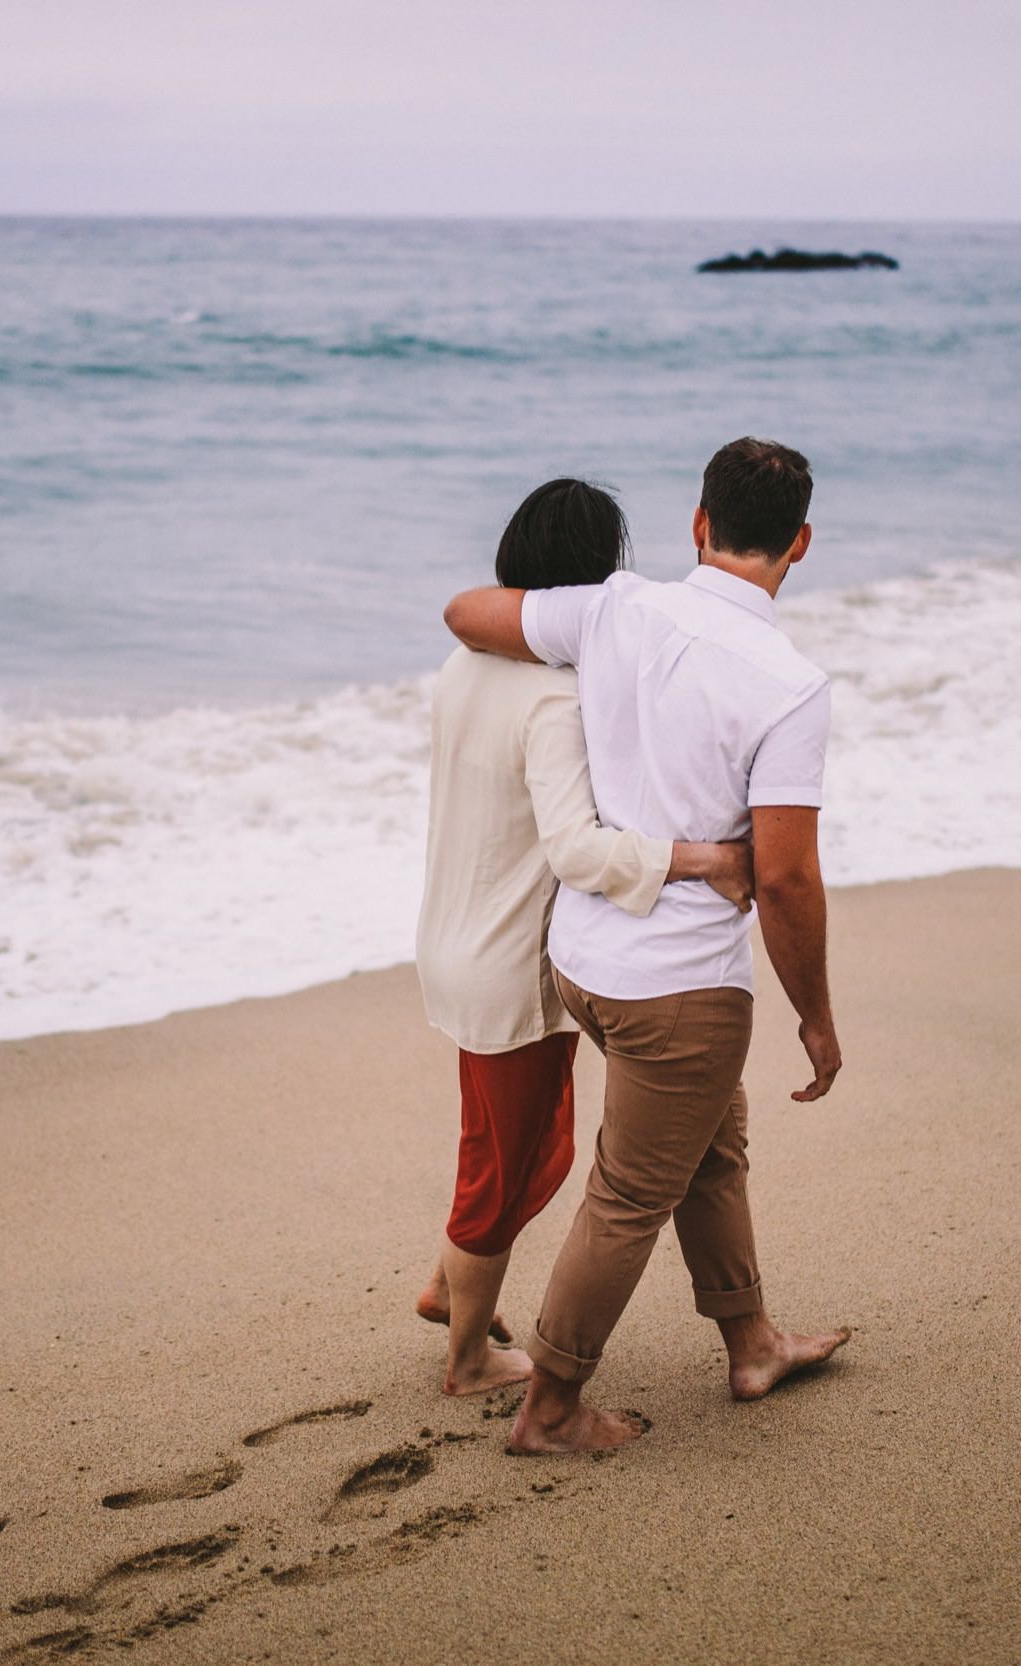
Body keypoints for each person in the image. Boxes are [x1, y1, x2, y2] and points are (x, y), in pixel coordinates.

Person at [442, 437, 850, 1453]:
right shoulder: (790, 686)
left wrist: (558, 641)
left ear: (699, 525)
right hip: (681, 989)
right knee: (628, 1196)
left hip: (585, 965)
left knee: (711, 1149)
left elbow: (466, 612)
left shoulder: (616, 607)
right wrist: (815, 1014)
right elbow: (788, 877)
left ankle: (751, 1340)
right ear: (800, 544)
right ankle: (548, 1408)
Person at [414, 477, 754, 1397]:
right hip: (507, 967)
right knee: (514, 1164)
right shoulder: (556, 700)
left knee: (498, 1143)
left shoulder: (463, 668)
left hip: (449, 944)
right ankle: (468, 1359)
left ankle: (450, 1291)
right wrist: (700, 858)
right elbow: (574, 848)